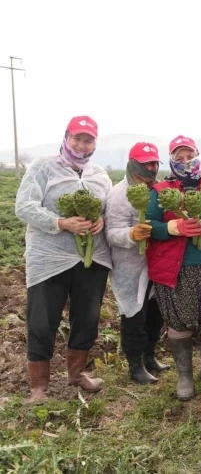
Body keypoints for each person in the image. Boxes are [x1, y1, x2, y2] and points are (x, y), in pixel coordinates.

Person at [15, 115, 111, 403]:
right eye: (77, 138)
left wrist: (102, 221)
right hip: (49, 257)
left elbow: (110, 207)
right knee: (42, 319)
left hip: (91, 259)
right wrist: (61, 222)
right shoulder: (43, 167)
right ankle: (39, 387)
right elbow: (24, 206)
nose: (82, 144)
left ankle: (76, 374)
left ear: (95, 143)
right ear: (66, 137)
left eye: (88, 139)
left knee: (87, 318)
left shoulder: (99, 175)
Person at [145, 135, 201, 401]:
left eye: (190, 156)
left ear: (198, 155)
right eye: (179, 158)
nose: (186, 162)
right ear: (171, 161)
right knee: (180, 322)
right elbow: (149, 225)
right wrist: (175, 227)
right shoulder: (161, 190)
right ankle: (185, 375)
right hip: (177, 270)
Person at [105, 142, 170, 385]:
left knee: (155, 313)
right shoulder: (119, 194)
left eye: (154, 163)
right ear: (133, 164)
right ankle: (135, 366)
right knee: (134, 314)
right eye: (146, 164)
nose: (151, 168)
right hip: (129, 266)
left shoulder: (158, 190)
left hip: (156, 262)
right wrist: (131, 234)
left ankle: (150, 357)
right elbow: (111, 233)